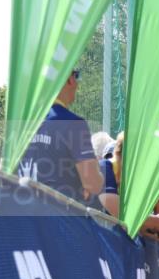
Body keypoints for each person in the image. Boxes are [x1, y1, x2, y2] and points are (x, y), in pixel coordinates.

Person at [17, 68, 103, 203]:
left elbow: (4, 172)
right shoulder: (73, 123)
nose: (77, 83)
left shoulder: (22, 125)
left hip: (23, 215)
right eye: (76, 76)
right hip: (60, 218)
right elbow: (93, 184)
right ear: (69, 79)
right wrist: (97, 170)